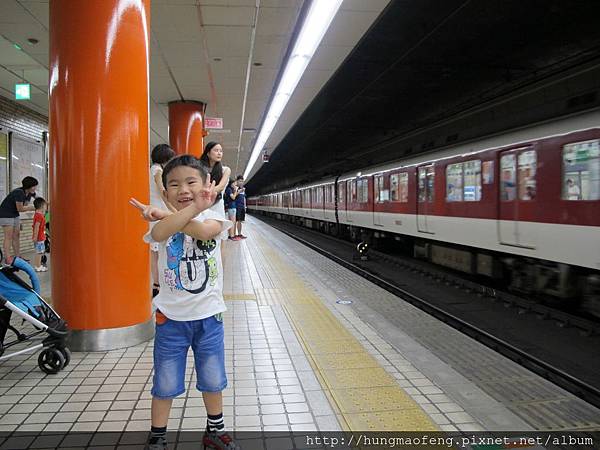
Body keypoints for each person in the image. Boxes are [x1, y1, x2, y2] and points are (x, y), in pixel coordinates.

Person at [129, 155, 237, 450]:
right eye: (173, 184)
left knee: (213, 379)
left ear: (208, 185)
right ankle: (158, 437)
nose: (183, 188)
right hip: (170, 320)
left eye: (191, 182)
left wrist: (167, 213)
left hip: (209, 317)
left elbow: (203, 232)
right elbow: (161, 233)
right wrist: (171, 215)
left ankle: (214, 431)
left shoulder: (216, 217)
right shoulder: (161, 226)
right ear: (164, 193)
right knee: (164, 383)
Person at [149, 144, 176, 298]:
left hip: (154, 212)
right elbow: (163, 193)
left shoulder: (151, 169)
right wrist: (174, 211)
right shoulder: (157, 171)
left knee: (155, 252)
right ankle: (160, 285)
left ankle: (156, 284)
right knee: (162, 250)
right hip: (159, 213)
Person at [0, 176, 38, 263]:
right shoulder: (19, 192)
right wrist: (34, 208)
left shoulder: (28, 194)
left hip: (14, 214)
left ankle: (17, 256)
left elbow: (26, 204)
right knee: (8, 237)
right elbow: (20, 208)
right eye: (34, 186)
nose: (35, 188)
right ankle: (8, 258)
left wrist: (32, 198)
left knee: (16, 236)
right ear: (29, 185)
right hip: (6, 214)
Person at [199, 142, 231, 218]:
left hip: (217, 206)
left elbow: (220, 187)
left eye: (221, 151)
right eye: (216, 150)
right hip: (200, 205)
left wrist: (204, 193)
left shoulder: (225, 170)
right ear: (208, 153)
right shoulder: (198, 168)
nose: (219, 153)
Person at [31, 197, 47, 272]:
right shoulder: (39, 216)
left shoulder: (37, 215)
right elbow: (36, 227)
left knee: (39, 252)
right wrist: (35, 237)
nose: (46, 208)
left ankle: (38, 265)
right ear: (42, 206)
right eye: (45, 206)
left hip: (40, 237)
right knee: (39, 252)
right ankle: (38, 266)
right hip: (39, 238)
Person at [234, 175, 246, 239]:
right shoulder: (235, 188)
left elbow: (244, 198)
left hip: (242, 207)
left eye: (242, 181)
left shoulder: (243, 189)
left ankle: (239, 234)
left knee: (240, 221)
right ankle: (233, 234)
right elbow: (233, 196)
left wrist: (245, 206)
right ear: (237, 181)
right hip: (236, 206)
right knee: (235, 221)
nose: (241, 182)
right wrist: (239, 191)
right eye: (240, 181)